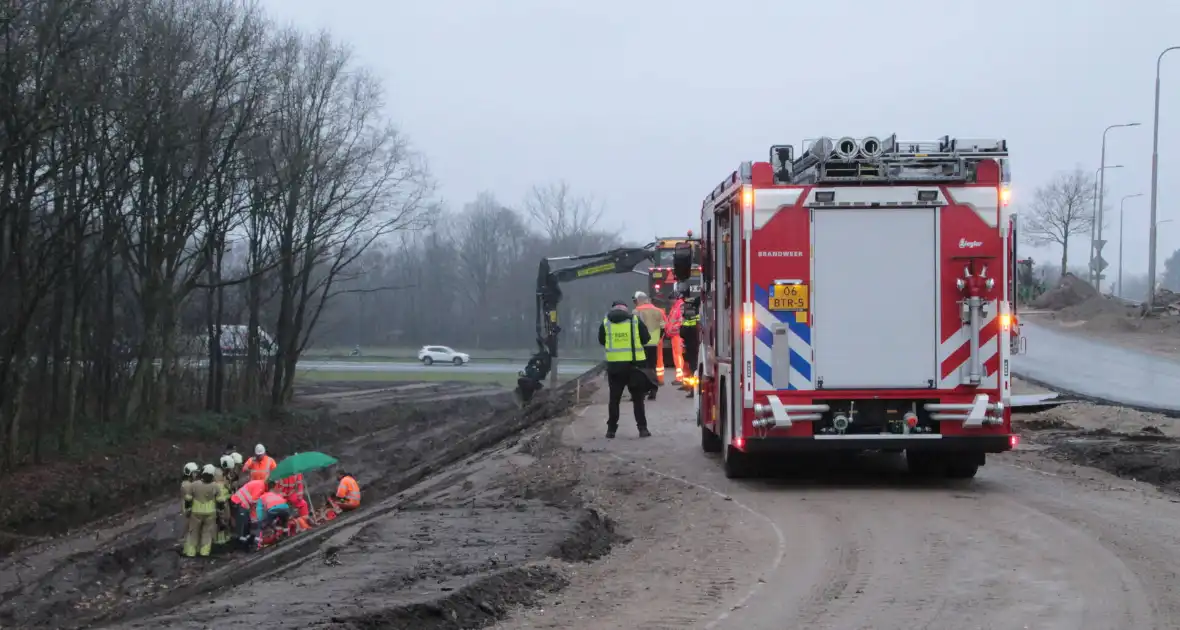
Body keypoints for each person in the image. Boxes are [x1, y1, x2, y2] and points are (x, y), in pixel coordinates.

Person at [597, 300, 652, 439]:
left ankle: (611, 430)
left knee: (614, 399)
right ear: (626, 310)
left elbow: (602, 341)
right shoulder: (635, 321)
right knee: (638, 399)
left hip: (615, 367)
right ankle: (642, 429)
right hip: (634, 366)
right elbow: (646, 339)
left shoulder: (606, 322)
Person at [182, 465, 224, 558]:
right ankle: (204, 552)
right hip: (210, 513)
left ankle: (191, 552)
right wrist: (220, 513)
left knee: (193, 532)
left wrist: (188, 510)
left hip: (196, 512)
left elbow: (188, 499)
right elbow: (221, 502)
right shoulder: (215, 486)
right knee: (207, 533)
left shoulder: (194, 485)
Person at [632, 291, 668, 400]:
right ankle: (653, 390)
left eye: (635, 301)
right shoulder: (659, 311)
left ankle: (641, 392)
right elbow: (663, 327)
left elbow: (633, 328)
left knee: (641, 368)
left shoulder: (636, 311)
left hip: (640, 344)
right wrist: (658, 339)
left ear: (639, 300)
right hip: (653, 344)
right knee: (652, 367)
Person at [230, 478, 267, 549]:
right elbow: (254, 500)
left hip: (241, 503)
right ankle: (242, 545)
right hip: (239, 502)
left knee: (246, 525)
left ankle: (246, 542)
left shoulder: (259, 483)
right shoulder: (261, 487)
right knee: (243, 525)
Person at [680, 293, 701, 398]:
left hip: (691, 346)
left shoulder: (689, 317)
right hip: (700, 345)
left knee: (693, 369)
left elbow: (683, 333)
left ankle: (694, 390)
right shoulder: (702, 314)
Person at [667, 293, 686, 385]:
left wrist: (673, 329)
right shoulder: (675, 307)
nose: (670, 301)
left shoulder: (680, 306)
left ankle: (680, 378)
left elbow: (681, 321)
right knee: (677, 356)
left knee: (678, 356)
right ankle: (679, 377)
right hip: (674, 335)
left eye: (671, 299)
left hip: (678, 335)